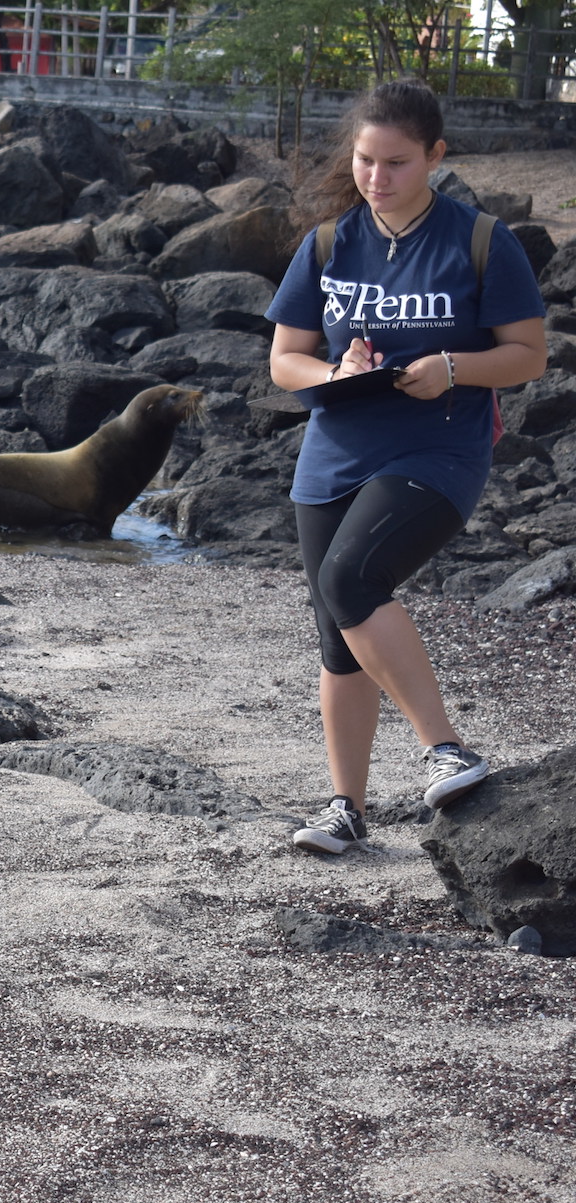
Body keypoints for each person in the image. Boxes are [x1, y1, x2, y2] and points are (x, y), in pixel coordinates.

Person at [265, 79, 546, 855]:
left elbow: (529, 355)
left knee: (352, 580)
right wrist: (335, 372)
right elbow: (286, 361)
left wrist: (453, 367)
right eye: (365, 161)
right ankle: (345, 810)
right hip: (333, 452)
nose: (377, 178)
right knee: (337, 632)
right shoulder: (328, 244)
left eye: (395, 163)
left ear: (435, 157)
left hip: (439, 450)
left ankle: (445, 747)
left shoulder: (482, 240)